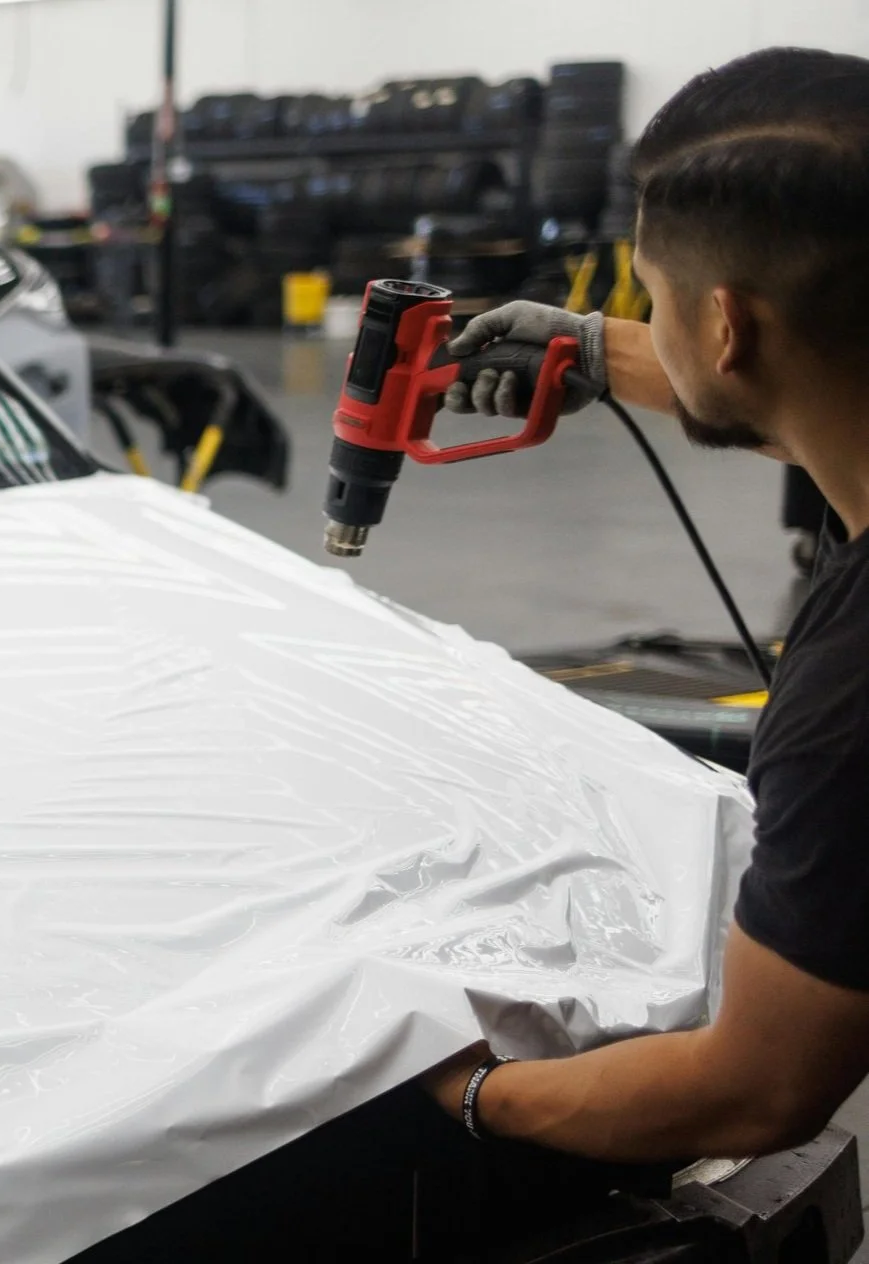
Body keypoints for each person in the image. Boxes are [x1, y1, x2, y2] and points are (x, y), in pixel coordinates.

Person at [421, 46, 869, 1162]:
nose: (644, 321)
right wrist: (594, 348)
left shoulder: (849, 715)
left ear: (725, 325)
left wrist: (472, 1091)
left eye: (648, 299)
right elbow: (796, 380)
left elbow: (752, 1092)